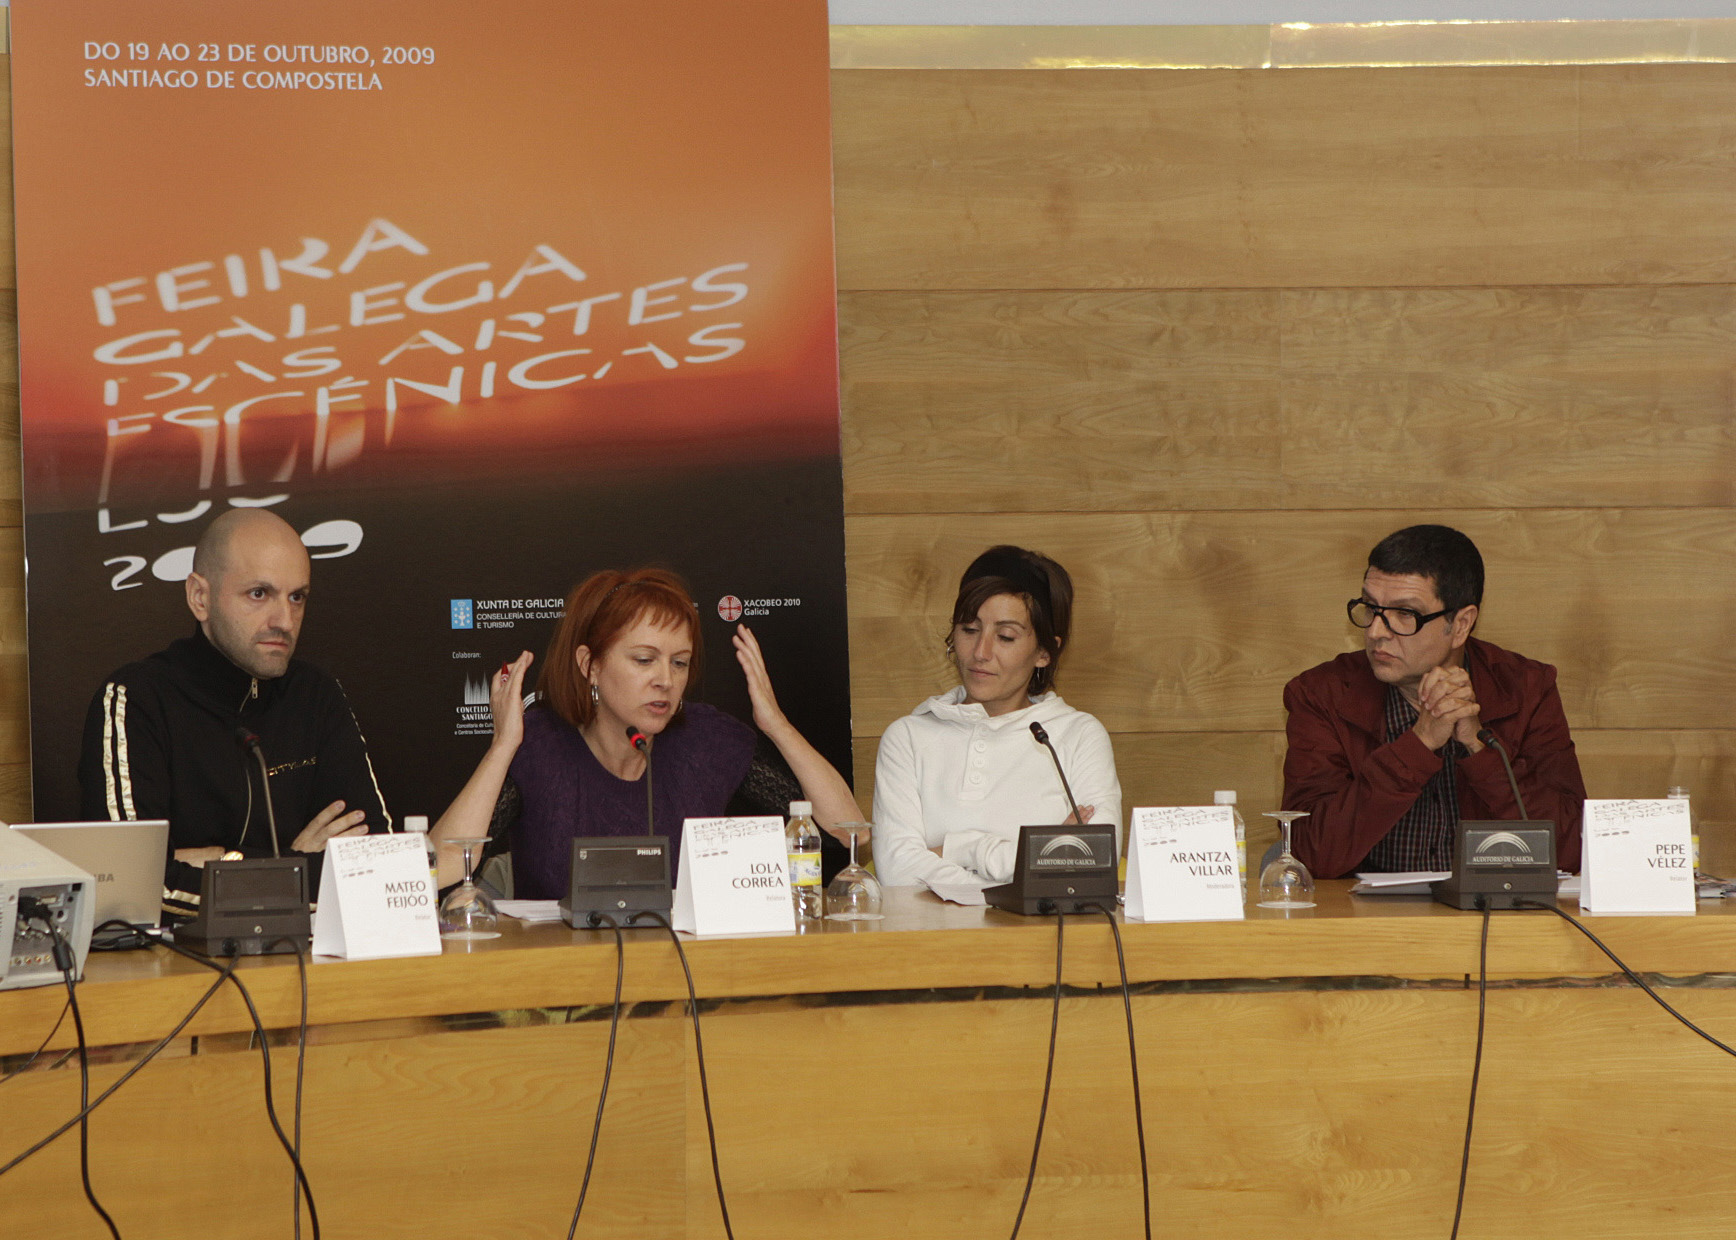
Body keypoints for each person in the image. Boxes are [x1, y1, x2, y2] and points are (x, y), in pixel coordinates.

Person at [431, 568, 863, 898]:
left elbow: (851, 835)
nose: (665, 680)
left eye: (679, 662)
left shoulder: (705, 741)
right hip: (560, 989)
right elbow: (444, 867)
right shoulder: (541, 746)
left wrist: (777, 725)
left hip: (684, 986)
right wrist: (504, 746)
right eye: (644, 660)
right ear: (590, 665)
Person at [78, 508, 390, 917]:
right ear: (199, 598)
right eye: (259, 594)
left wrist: (226, 862)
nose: (284, 620)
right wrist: (292, 864)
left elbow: (377, 868)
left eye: (297, 597)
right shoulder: (137, 699)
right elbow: (130, 884)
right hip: (179, 972)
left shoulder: (316, 693)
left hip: (316, 966)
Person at [1281, 524, 1585, 879]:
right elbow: (1311, 854)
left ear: (1460, 624)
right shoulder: (1322, 694)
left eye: (1404, 614)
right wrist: (1419, 743)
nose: (1377, 632)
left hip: (1498, 915)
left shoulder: (1526, 688)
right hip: (1367, 923)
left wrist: (1479, 746)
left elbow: (1571, 848)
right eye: (1370, 607)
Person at [871, 546, 1121, 888]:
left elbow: (1091, 862)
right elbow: (898, 874)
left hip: (1049, 941)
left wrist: (956, 849)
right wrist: (1036, 861)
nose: (980, 653)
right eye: (970, 629)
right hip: (934, 940)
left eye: (1005, 637)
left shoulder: (1078, 735)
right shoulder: (908, 737)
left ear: (1045, 652)